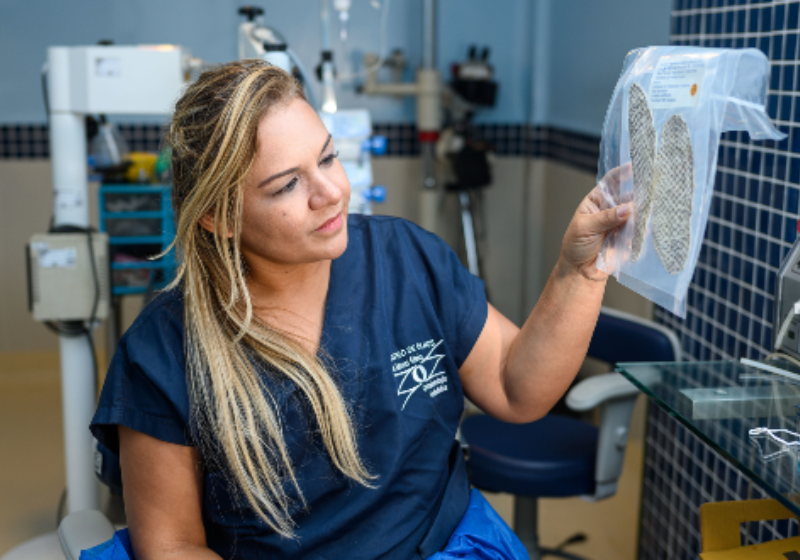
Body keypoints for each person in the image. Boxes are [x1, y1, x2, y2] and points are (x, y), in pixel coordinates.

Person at [90, 60, 631, 560]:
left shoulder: (406, 260)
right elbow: (174, 545)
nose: (330, 192)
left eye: (327, 158)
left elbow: (517, 388)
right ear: (219, 217)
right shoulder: (162, 353)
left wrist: (580, 272)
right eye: (288, 184)